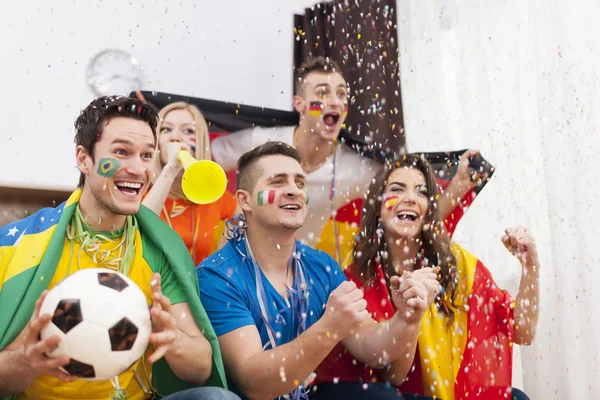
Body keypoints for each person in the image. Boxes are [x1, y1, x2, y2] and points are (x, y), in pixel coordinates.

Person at [0, 96, 239, 400]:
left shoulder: (157, 247)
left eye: (146, 155)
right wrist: (24, 361)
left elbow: (200, 367)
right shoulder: (24, 245)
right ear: (84, 158)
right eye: (122, 152)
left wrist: (173, 339)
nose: (137, 169)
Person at [197, 142, 440, 400]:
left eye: (300, 183)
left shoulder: (321, 266)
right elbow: (254, 383)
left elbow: (373, 349)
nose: (294, 191)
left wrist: (406, 317)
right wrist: (329, 328)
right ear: (244, 200)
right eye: (278, 182)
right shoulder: (218, 275)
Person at [211, 56, 483, 264]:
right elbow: (201, 160)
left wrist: (459, 183)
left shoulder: (357, 169)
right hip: (236, 265)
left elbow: (416, 210)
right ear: (300, 105)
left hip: (295, 277)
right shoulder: (260, 142)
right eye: (321, 93)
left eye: (341, 94)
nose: (333, 101)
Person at [313, 154, 540, 400]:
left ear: (428, 211)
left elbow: (523, 331)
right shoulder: (359, 275)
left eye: (421, 192)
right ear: (378, 207)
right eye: (397, 189)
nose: (410, 198)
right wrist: (412, 314)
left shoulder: (458, 265)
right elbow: (395, 376)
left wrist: (530, 266)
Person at [142, 102, 240, 265]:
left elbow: (248, 221)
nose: (175, 137)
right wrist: (171, 169)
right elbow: (139, 230)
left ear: (200, 143)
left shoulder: (213, 192)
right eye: (166, 129)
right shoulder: (138, 189)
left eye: (188, 130)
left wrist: (225, 249)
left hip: (198, 289)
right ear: (156, 140)